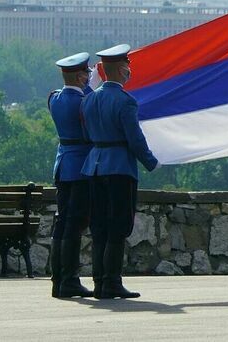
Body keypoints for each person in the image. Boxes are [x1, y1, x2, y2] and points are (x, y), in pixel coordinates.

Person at [80, 44, 160, 299]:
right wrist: (151, 162)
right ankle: (112, 281)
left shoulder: (89, 99)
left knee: (99, 226)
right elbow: (134, 139)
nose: (129, 71)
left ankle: (99, 282)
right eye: (127, 66)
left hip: (94, 166)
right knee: (118, 226)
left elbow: (86, 134)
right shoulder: (125, 101)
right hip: (119, 168)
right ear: (120, 69)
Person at [48, 52, 94, 298]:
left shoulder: (54, 99)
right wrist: (90, 87)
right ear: (79, 76)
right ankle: (70, 279)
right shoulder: (84, 102)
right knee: (74, 226)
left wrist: (86, 85)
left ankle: (58, 279)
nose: (89, 77)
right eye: (86, 73)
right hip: (80, 168)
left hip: (63, 165)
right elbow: (90, 119)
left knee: (62, 223)